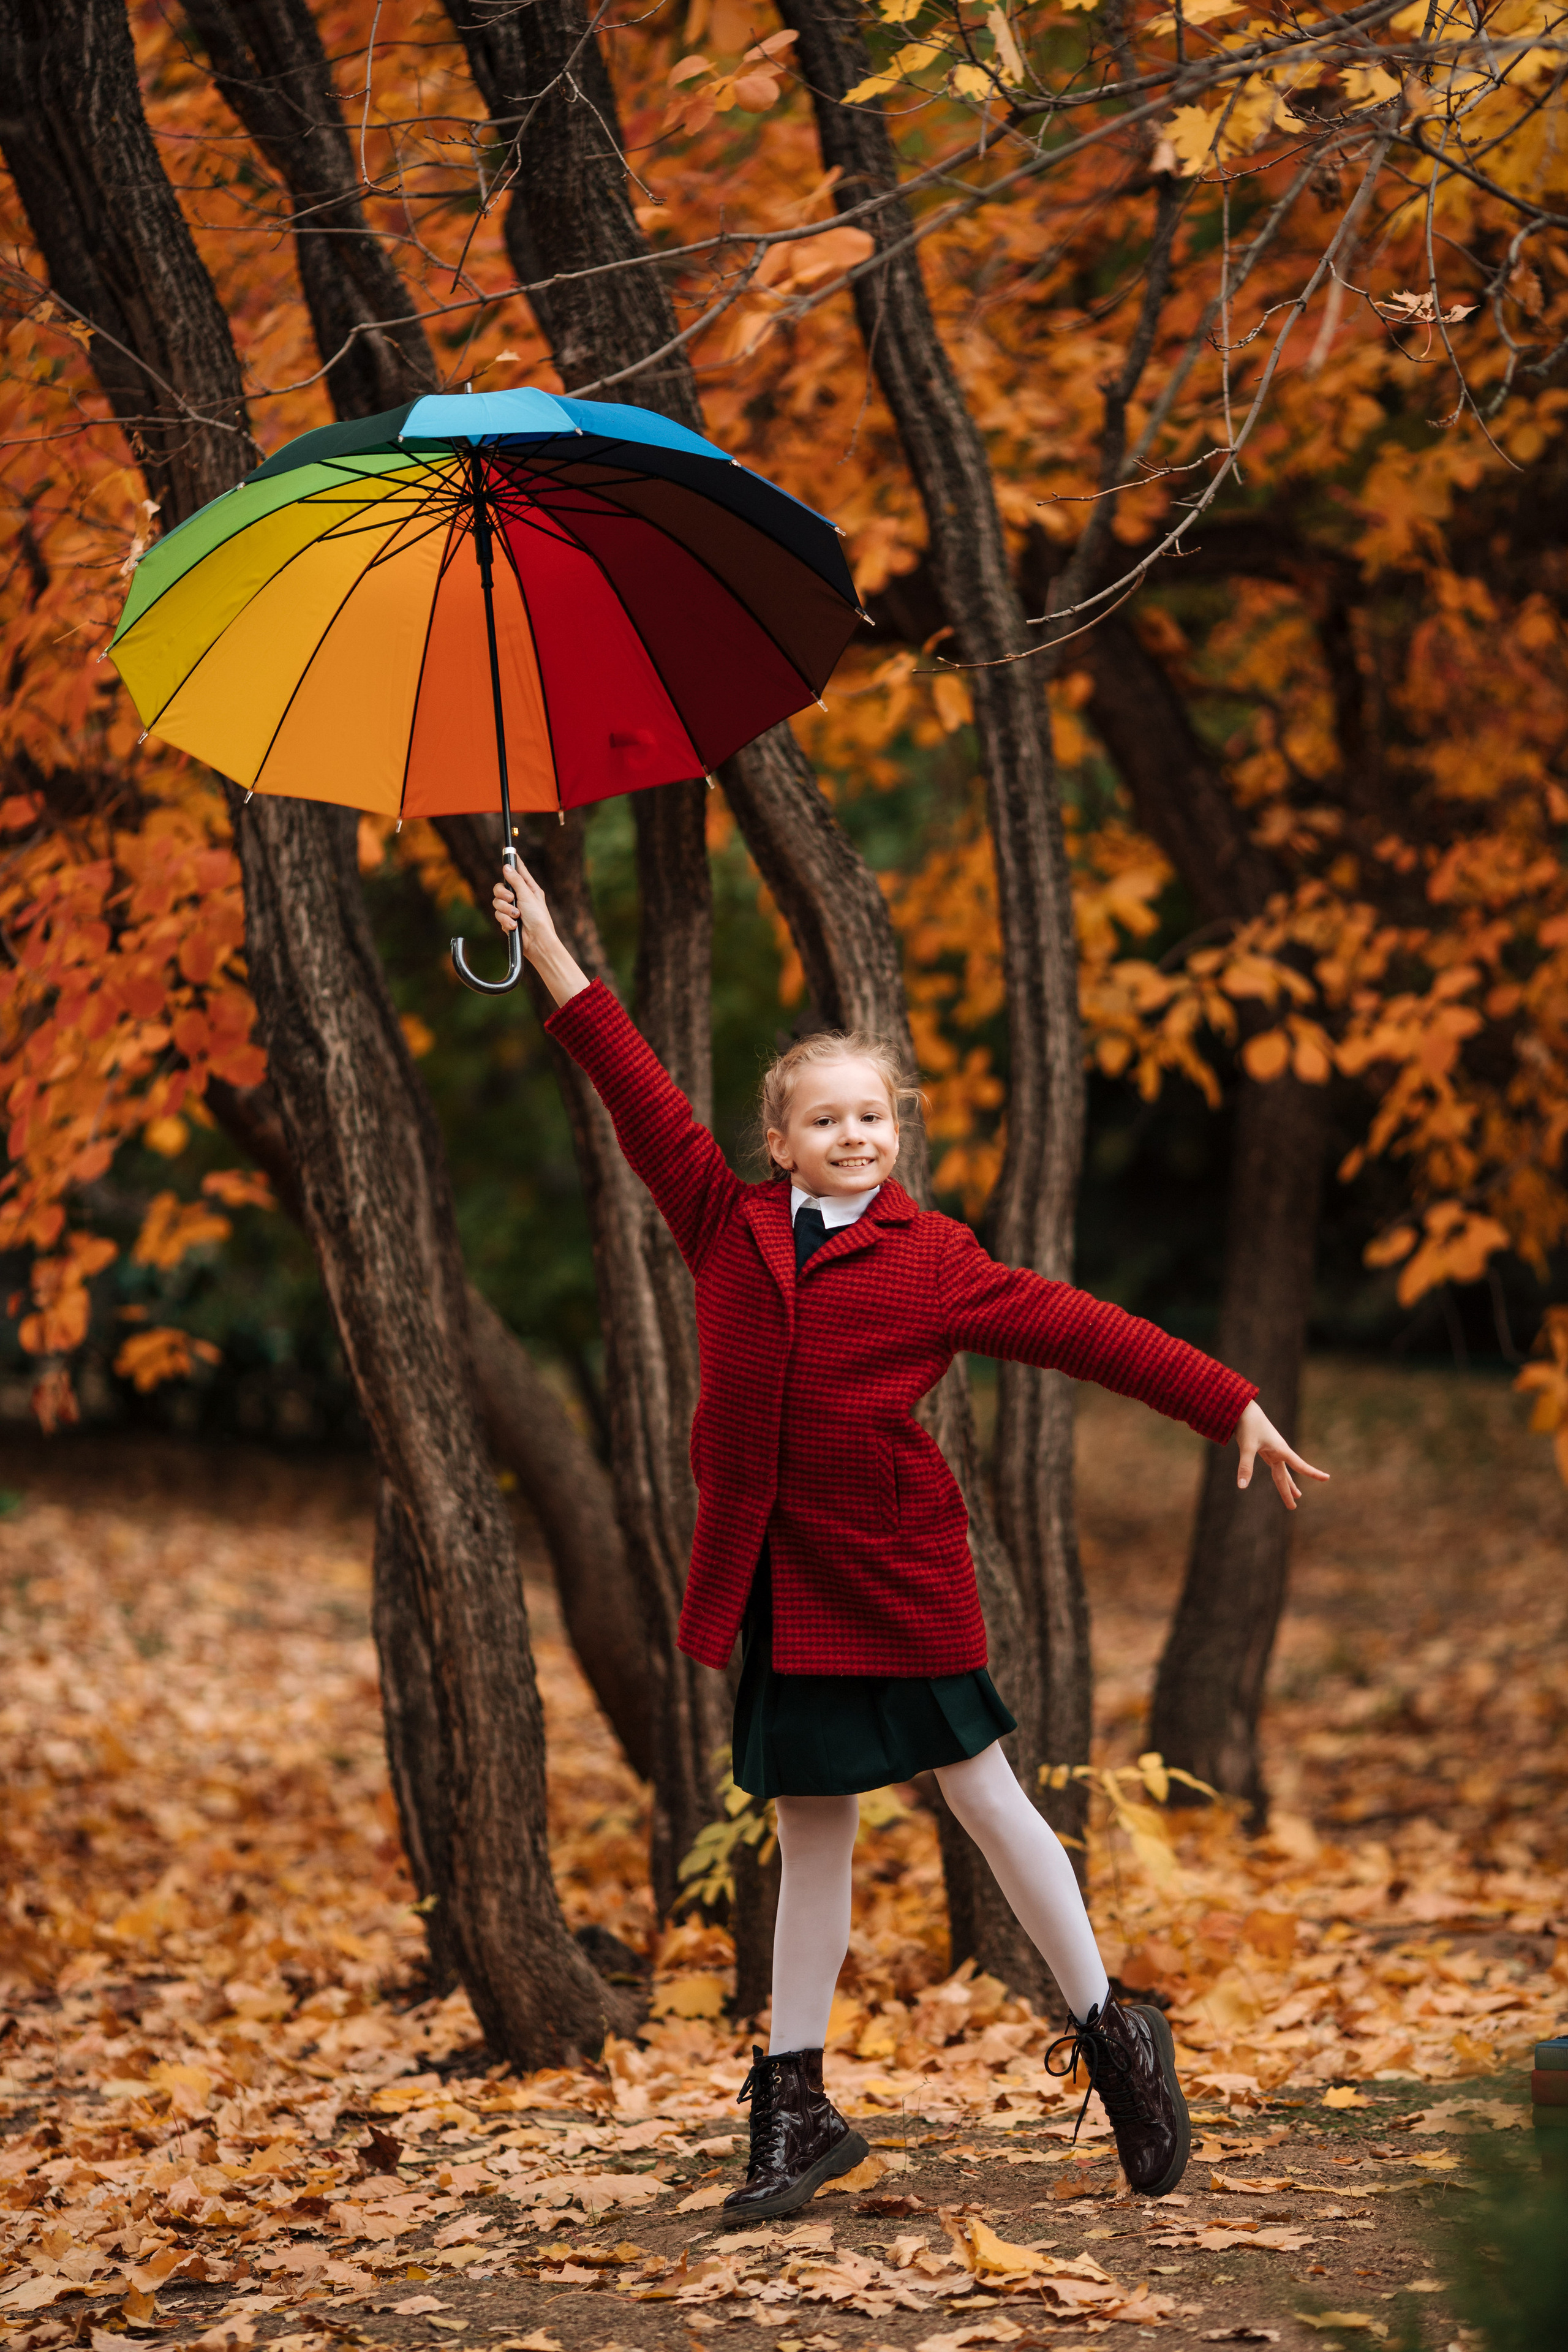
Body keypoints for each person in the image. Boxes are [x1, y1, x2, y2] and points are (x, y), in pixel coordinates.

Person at [492, 860, 1327, 2225]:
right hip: (778, 1584)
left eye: (872, 1116)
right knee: (808, 1834)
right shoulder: (721, 1220)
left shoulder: (930, 1258)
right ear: (779, 1140)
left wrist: (1223, 1398)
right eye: (825, 1118)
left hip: (893, 1578)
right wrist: (543, 944)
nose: (853, 1134)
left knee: (984, 1798)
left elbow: (1080, 1328)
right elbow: (633, 1085)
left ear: (900, 1131)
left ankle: (1114, 2033)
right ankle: (793, 2106)